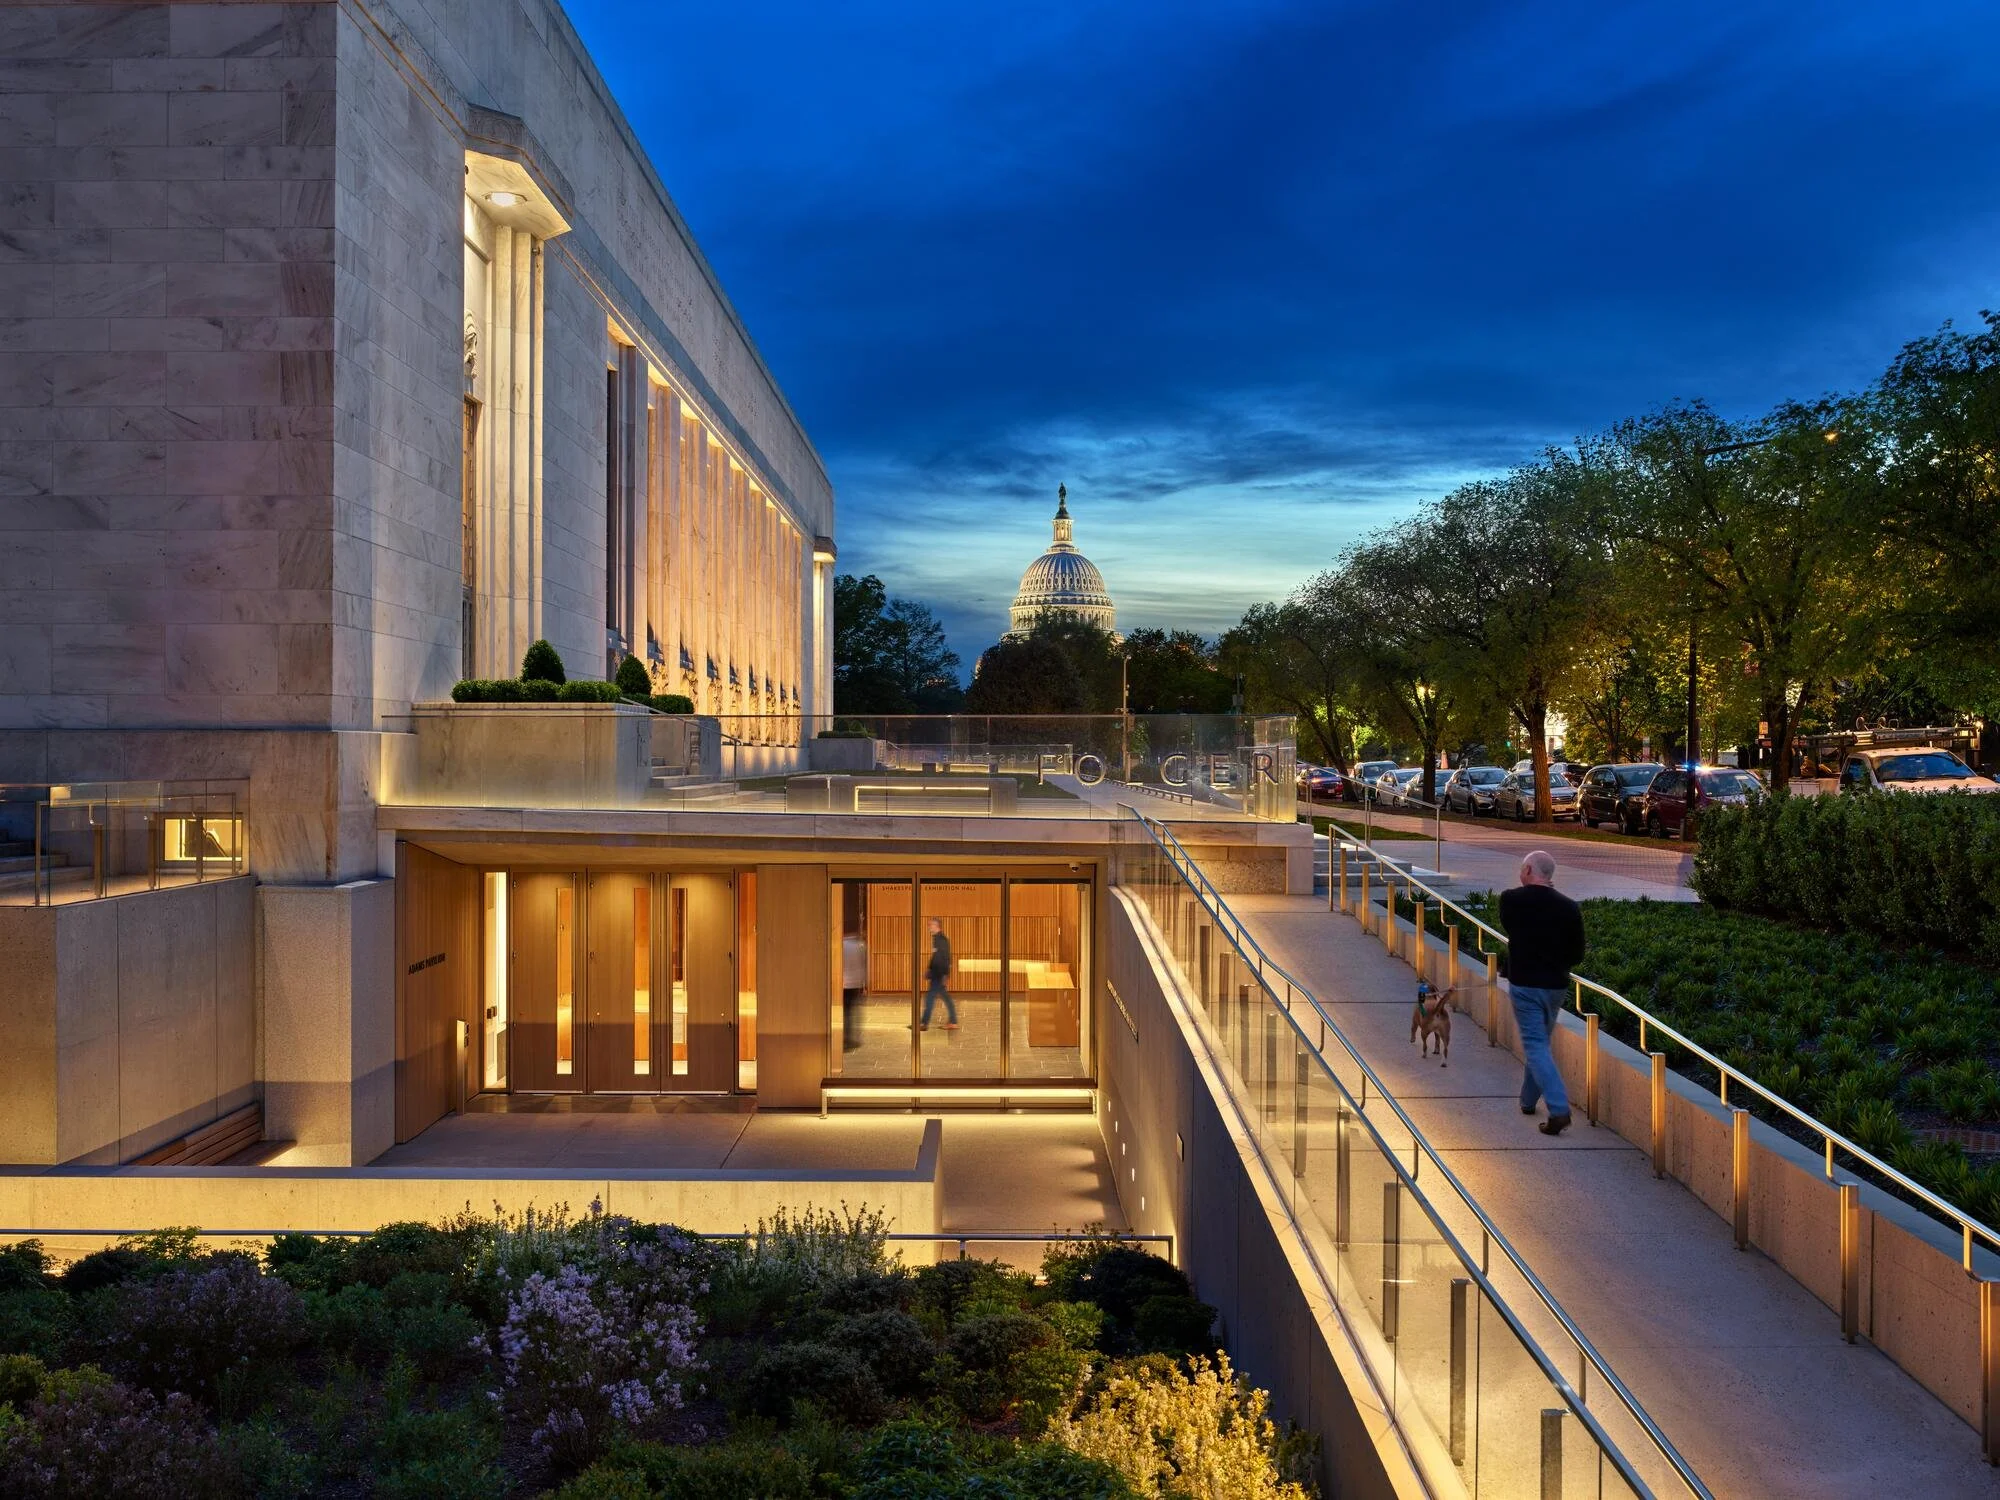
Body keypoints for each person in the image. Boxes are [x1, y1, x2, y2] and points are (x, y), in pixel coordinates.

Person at [1498, 849, 1584, 1135]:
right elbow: (1577, 953)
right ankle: (1527, 1100)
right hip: (1555, 986)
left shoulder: (1511, 901)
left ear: (1527, 870)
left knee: (1535, 1046)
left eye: (1522, 869)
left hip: (1525, 986)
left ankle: (1559, 1110)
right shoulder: (1570, 908)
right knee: (1540, 1046)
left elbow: (1513, 929)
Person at [921, 916, 958, 1031]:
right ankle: (953, 1022)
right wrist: (929, 969)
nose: (929, 927)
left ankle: (923, 1023)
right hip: (936, 973)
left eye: (930, 925)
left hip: (938, 974)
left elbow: (946, 958)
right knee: (945, 998)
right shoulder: (937, 938)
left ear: (936, 926)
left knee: (930, 998)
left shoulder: (941, 940)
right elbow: (936, 956)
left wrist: (945, 975)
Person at [840, 929, 868, 1051]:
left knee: (847, 1012)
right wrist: (865, 983)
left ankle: (847, 1037)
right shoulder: (860, 946)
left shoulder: (841, 945)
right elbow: (864, 966)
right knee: (854, 1011)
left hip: (844, 983)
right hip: (856, 983)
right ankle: (851, 1036)